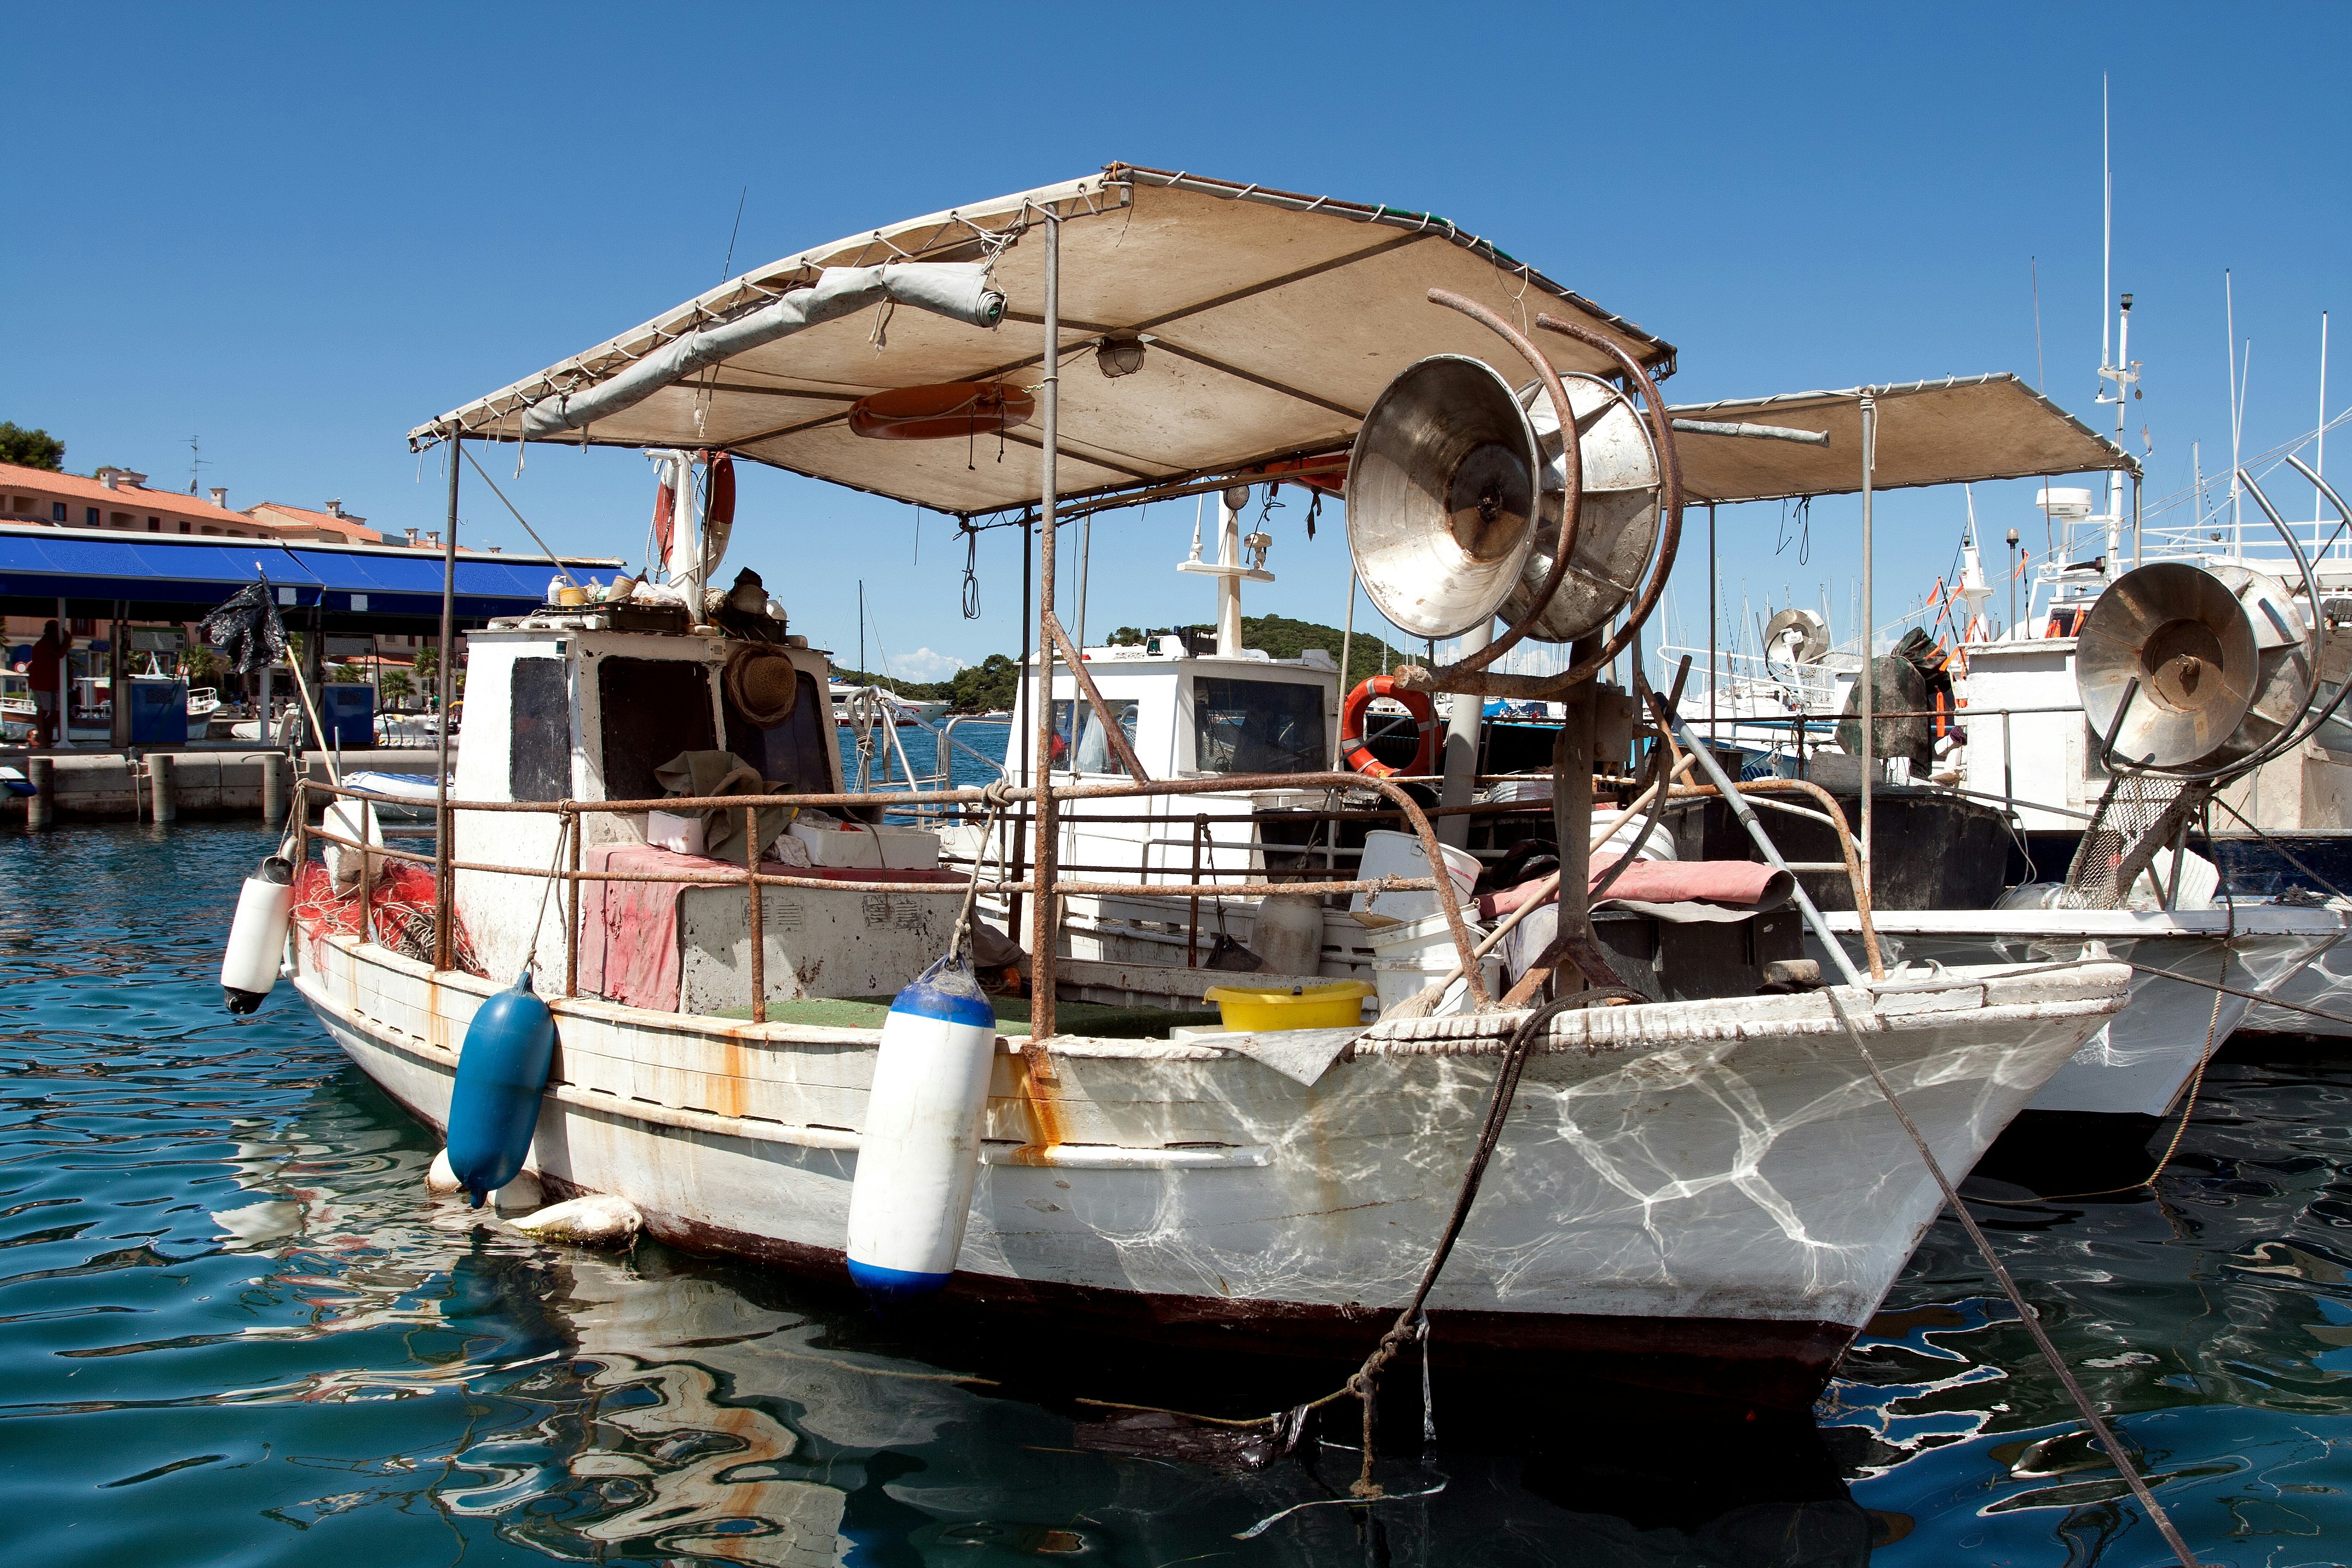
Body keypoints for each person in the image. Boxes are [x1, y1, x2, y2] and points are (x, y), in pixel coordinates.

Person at [25, 621, 66, 748]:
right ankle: (45, 739)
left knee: (41, 711)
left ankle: (43, 739)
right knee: (55, 712)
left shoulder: (39, 645)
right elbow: (60, 654)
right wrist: (67, 641)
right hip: (47, 684)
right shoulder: (48, 644)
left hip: (37, 682)